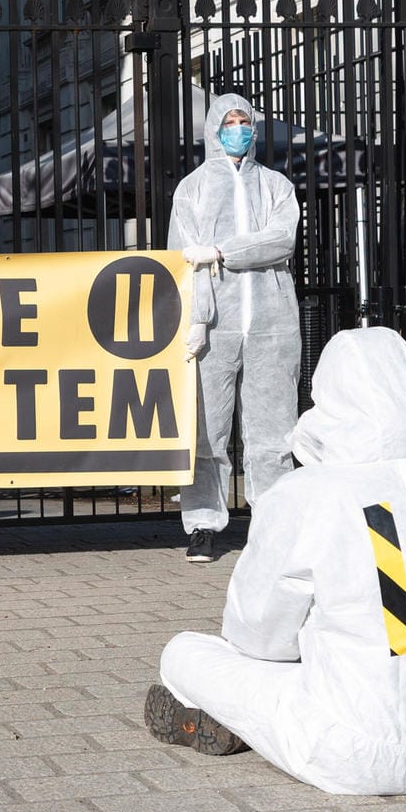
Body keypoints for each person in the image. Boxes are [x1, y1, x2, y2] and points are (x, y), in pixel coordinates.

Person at [145, 328, 406, 795]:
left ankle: (233, 721)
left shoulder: (309, 493)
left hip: (353, 752)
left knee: (184, 652)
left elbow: (258, 636)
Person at [167, 93, 301, 562]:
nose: (239, 128)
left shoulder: (276, 185)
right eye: (230, 121)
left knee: (274, 431)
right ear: (213, 129)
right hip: (215, 325)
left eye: (246, 121)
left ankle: (274, 524)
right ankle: (203, 523)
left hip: (273, 323)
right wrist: (197, 320)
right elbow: (185, 262)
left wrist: (222, 251)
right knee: (207, 430)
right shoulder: (193, 188)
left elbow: (281, 240)